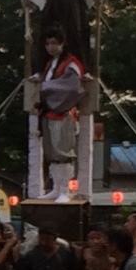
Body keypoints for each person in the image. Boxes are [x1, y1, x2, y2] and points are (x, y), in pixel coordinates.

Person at [26, 26, 86, 202]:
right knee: (52, 152)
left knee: (64, 152)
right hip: (49, 111)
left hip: (64, 111)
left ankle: (65, 190)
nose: (51, 47)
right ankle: (56, 188)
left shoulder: (71, 63)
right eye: (47, 43)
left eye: (54, 43)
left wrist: (45, 87)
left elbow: (72, 87)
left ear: (62, 44)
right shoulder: (50, 64)